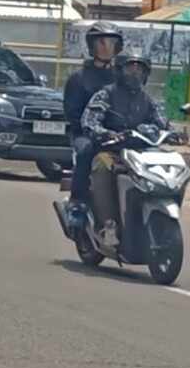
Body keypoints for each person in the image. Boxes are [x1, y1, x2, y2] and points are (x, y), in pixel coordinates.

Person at [81, 51, 173, 247]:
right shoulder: (106, 94)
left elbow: (162, 122)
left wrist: (173, 133)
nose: (136, 73)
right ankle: (108, 225)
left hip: (142, 152)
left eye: (140, 70)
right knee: (102, 168)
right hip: (111, 150)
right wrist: (106, 133)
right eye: (130, 69)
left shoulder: (148, 99)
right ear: (119, 71)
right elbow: (89, 121)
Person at [63, 21, 122, 209]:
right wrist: (94, 131)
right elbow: (72, 114)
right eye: (101, 43)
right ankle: (77, 203)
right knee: (85, 151)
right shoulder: (78, 78)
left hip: (119, 135)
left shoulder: (122, 77)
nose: (106, 47)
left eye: (111, 43)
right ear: (92, 46)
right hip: (86, 134)